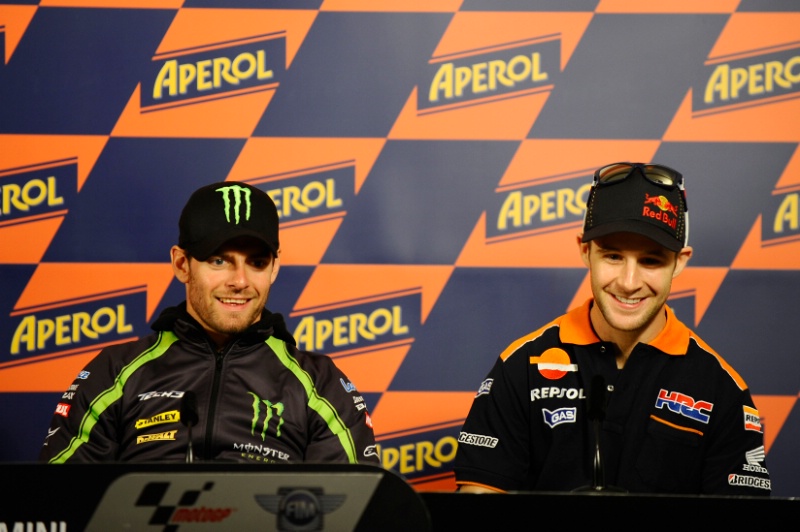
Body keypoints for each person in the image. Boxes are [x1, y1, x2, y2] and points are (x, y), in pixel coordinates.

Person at [453, 162, 771, 496]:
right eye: (613, 256)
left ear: (679, 262)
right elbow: (478, 500)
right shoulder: (522, 366)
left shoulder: (722, 389)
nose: (629, 282)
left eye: (650, 260)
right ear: (585, 251)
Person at [39, 181, 380, 465]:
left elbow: (355, 507)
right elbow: (58, 499)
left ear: (274, 268)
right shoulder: (115, 371)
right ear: (182, 264)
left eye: (257, 263)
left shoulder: (320, 384)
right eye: (219, 261)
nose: (240, 281)